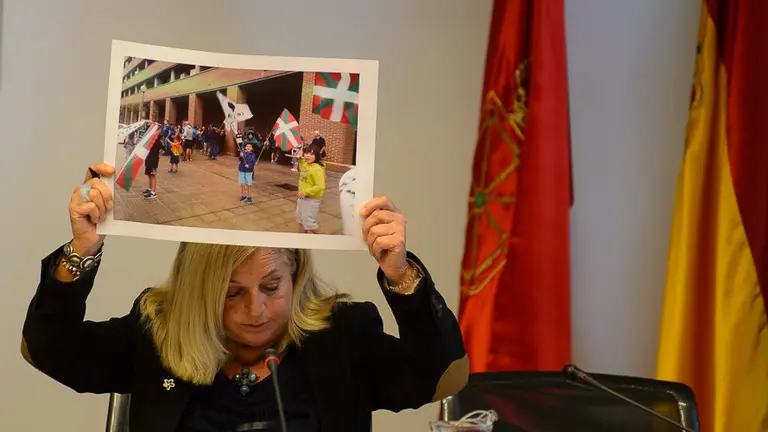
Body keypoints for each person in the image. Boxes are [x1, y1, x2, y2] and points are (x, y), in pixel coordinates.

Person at [21, 163, 468, 431]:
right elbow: (47, 350)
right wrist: (81, 252)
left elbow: (442, 376)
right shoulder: (159, 333)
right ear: (199, 290)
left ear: (296, 272)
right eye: (230, 293)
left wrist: (400, 273)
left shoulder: (342, 334)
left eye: (271, 287)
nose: (255, 310)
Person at [296, 144, 326, 234]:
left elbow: (320, 186)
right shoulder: (306, 164)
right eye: (306, 153)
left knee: (310, 223)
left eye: (311, 154)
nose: (307, 155)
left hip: (311, 200)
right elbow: (303, 170)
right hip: (302, 197)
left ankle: (323, 242)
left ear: (316, 156)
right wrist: (300, 160)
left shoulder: (317, 169)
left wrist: (305, 192)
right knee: (301, 220)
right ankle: (300, 244)